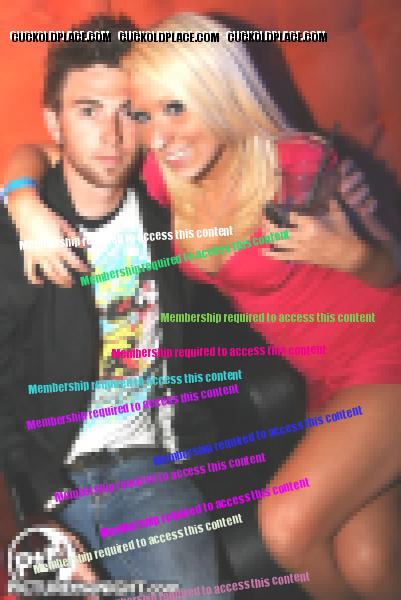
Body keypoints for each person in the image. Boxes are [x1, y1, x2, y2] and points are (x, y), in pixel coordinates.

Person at [3, 13, 400, 600]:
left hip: (377, 359)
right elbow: (38, 153)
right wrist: (20, 198)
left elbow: (386, 263)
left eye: (139, 111)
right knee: (369, 566)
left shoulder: (277, 166)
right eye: (143, 114)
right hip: (319, 383)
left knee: (287, 530)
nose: (126, 134)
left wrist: (351, 250)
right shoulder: (156, 182)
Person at [0, 14, 224, 593]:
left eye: (128, 112)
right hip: (50, 481)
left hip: (146, 470)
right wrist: (34, 513)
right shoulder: (17, 237)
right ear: (54, 121)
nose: (111, 134)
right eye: (88, 110)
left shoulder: (171, 215)